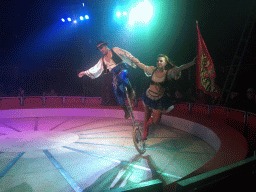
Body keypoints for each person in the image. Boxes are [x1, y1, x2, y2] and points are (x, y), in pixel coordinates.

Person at [134, 54, 196, 140]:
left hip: (158, 99)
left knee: (156, 121)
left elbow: (181, 68)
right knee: (146, 116)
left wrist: (192, 63)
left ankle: (147, 125)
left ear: (165, 63)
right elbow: (141, 65)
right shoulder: (152, 70)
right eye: (157, 61)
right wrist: (132, 58)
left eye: (161, 61)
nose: (158, 62)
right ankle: (144, 133)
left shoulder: (168, 73)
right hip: (148, 96)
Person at [78, 41, 141, 119]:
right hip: (115, 74)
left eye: (102, 47)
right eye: (99, 49)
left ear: (105, 46)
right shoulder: (102, 60)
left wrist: (132, 59)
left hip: (123, 69)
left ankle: (130, 89)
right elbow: (95, 68)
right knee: (115, 89)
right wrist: (85, 72)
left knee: (122, 75)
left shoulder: (114, 50)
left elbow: (125, 53)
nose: (101, 50)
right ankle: (125, 109)